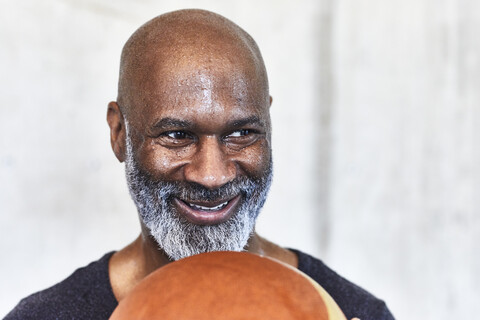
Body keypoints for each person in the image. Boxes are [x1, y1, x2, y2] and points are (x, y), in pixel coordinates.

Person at [5, 9, 394, 320]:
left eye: (242, 133)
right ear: (120, 133)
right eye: (177, 135)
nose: (212, 175)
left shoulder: (352, 313)